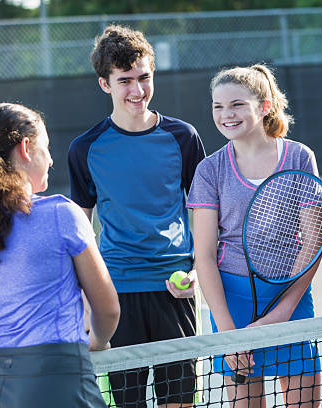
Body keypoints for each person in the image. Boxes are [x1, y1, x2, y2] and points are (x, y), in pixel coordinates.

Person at [68, 25, 206, 408]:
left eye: (144, 77)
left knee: (179, 401)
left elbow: (205, 216)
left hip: (174, 289)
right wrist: (83, 297)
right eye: (124, 80)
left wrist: (197, 270)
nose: (137, 90)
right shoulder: (85, 149)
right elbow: (79, 230)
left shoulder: (184, 137)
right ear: (104, 84)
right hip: (116, 295)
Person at [0, 103, 120, 408]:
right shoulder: (61, 214)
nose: (51, 159)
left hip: (0, 391)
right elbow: (108, 309)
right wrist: (97, 340)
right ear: (26, 148)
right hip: (64, 384)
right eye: (46, 148)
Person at [187, 64, 321, 407]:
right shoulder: (209, 170)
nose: (225, 115)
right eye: (218, 106)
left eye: (236, 105)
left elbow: (312, 242)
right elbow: (204, 255)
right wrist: (228, 332)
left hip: (290, 298)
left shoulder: (299, 157)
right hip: (231, 304)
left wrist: (285, 308)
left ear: (264, 106)